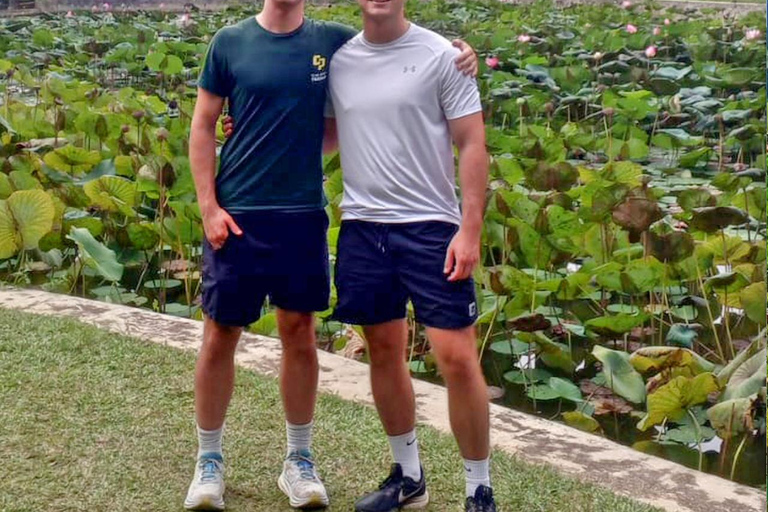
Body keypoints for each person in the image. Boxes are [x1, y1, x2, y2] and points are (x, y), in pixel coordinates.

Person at [187, 0, 477, 510]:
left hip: (302, 215)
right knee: (219, 334)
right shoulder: (228, 43)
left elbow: (394, 42)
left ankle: (299, 459)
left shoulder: (333, 41)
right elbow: (203, 126)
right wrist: (208, 206)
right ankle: (209, 460)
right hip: (237, 214)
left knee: (298, 331)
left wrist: (462, 51)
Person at [325, 0, 494, 510]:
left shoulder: (444, 55)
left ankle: (478, 489)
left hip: (430, 229)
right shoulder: (339, 60)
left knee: (457, 359)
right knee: (383, 351)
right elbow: (328, 136)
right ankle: (409, 477)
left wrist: (470, 230)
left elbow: (471, 142)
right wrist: (245, 133)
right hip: (362, 226)